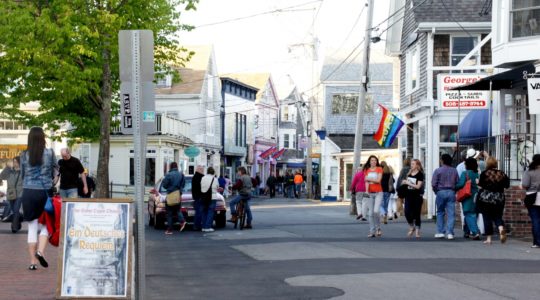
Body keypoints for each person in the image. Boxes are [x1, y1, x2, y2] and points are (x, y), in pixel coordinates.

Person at [20, 127, 59, 270]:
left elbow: (23, 174)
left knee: (32, 226)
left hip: (29, 192)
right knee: (46, 225)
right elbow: (56, 170)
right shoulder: (49, 153)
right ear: (43, 138)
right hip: (44, 192)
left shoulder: (24, 154)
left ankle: (32, 262)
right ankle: (40, 252)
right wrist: (53, 181)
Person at [477, 157, 510, 245]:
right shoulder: (502, 173)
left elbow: (481, 185)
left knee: (487, 217)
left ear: (487, 164)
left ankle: (489, 239)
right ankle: (500, 229)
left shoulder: (485, 173)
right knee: (497, 216)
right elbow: (507, 185)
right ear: (496, 164)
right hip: (499, 198)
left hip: (486, 199)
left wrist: (478, 183)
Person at [432, 154, 459, 240]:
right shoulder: (454, 171)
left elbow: (433, 184)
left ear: (442, 160)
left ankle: (440, 232)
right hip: (451, 192)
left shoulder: (438, 171)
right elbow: (457, 182)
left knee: (440, 212)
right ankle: (450, 233)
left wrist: (436, 191)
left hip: (441, 192)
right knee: (451, 213)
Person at [455, 158, 481, 240]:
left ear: (467, 165)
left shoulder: (465, 173)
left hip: (467, 196)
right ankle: (466, 232)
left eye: (465, 164)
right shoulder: (477, 174)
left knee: (469, 213)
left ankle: (475, 232)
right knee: (472, 213)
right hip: (476, 195)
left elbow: (461, 184)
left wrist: (454, 187)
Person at [401, 159, 425, 238]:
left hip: (417, 196)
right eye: (411, 164)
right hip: (408, 195)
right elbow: (406, 184)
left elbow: (418, 186)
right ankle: (411, 226)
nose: (412, 165)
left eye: (413, 164)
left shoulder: (420, 174)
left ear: (417, 165)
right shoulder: (409, 173)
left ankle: (417, 231)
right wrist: (404, 182)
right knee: (407, 212)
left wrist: (408, 183)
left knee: (416, 213)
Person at [161, 162, 186, 235]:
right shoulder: (181, 174)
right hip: (178, 195)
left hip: (170, 195)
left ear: (170, 167)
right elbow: (183, 185)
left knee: (169, 213)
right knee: (178, 210)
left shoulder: (168, 175)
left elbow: (165, 186)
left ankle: (170, 229)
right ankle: (182, 221)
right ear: (177, 166)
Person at [0, 156, 23, 232]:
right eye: (14, 162)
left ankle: (14, 227)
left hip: (20, 193)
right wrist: (7, 167)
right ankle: (18, 222)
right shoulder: (10, 171)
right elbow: (2, 176)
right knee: (14, 211)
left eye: (16, 162)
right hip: (11, 194)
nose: (15, 163)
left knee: (16, 210)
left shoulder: (23, 172)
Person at [522, 154, 540, 248]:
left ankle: (537, 242)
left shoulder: (529, 171)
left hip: (532, 195)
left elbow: (525, 184)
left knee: (535, 220)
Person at [363, 155, 383, 238]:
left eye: (375, 160)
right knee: (370, 213)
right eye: (372, 160)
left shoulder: (379, 169)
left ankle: (378, 228)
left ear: (376, 161)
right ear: (369, 161)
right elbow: (366, 182)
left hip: (378, 192)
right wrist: (366, 191)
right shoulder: (366, 170)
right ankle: (372, 231)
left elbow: (378, 180)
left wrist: (368, 178)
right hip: (370, 193)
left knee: (376, 211)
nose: (373, 162)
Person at [200, 167, 219, 232]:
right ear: (213, 172)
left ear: (207, 171)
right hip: (212, 197)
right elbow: (217, 187)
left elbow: (201, 186)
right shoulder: (215, 179)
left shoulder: (203, 178)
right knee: (210, 212)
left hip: (204, 197)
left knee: (204, 212)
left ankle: (203, 227)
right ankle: (208, 227)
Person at [191, 165, 205, 231]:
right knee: (200, 212)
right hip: (200, 196)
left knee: (198, 212)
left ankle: (197, 225)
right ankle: (197, 226)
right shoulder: (201, 177)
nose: (203, 171)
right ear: (199, 170)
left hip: (196, 196)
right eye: (202, 170)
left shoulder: (194, 177)